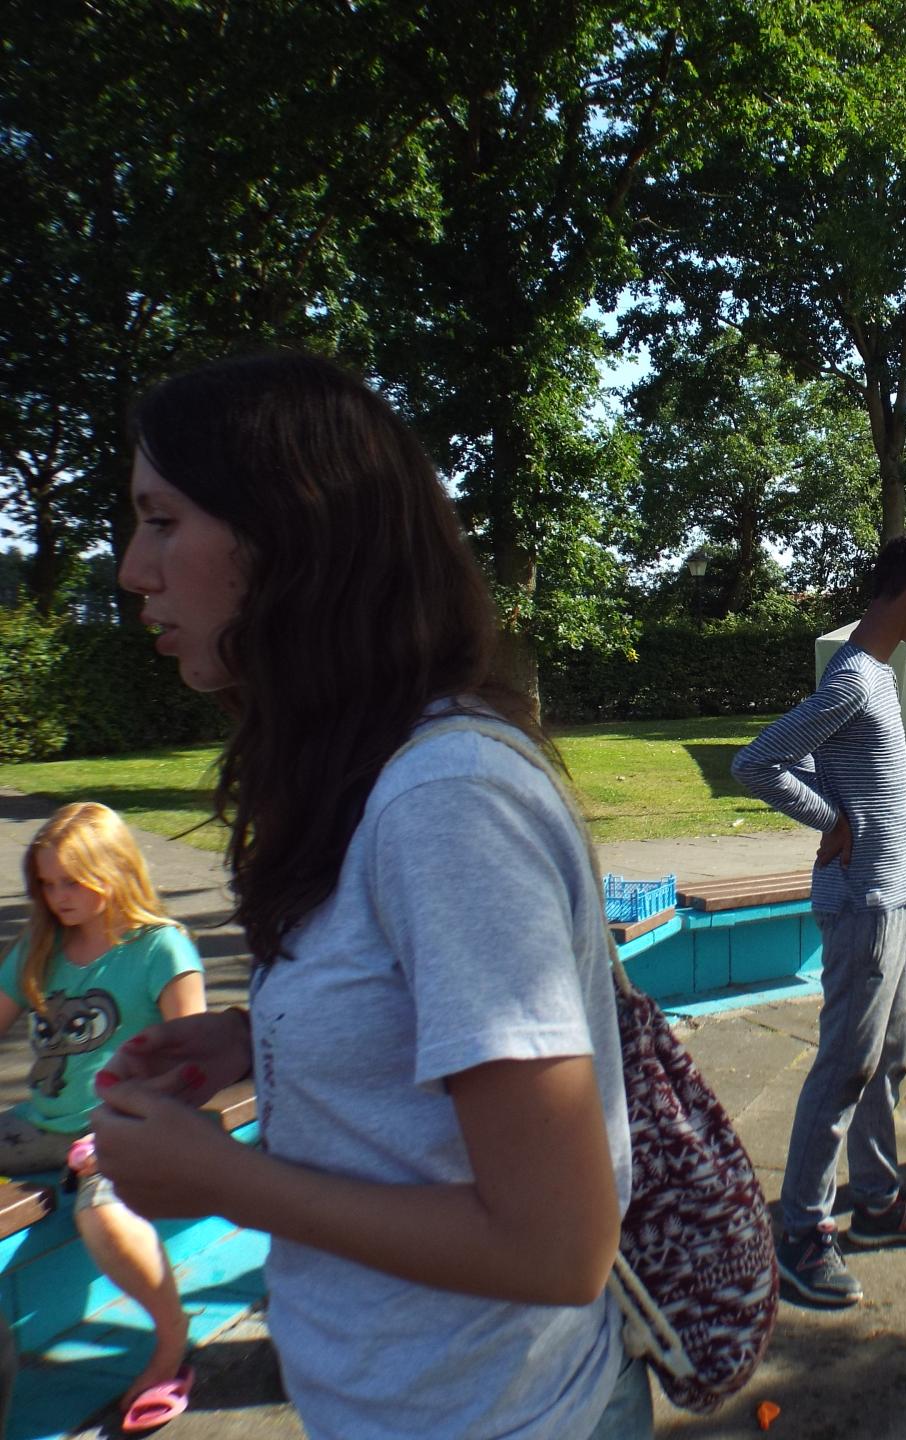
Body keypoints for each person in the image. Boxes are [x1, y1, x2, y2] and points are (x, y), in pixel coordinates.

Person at [92, 352, 648, 1440]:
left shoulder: (447, 803)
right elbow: (417, 1031)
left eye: (161, 521)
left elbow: (557, 1248)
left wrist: (221, 1180)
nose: (130, 570)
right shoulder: (359, 773)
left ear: (286, 534)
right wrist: (261, 1042)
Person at [730, 531, 906, 1308]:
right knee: (843, 1068)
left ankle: (877, 1201)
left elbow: (811, 761)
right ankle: (801, 1232)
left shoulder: (877, 677)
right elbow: (756, 762)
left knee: (887, 1058)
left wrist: (839, 806)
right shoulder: (856, 680)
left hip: (894, 897)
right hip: (863, 902)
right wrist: (830, 818)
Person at [1, 803, 206, 1430]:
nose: (58, 897)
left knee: (104, 1215)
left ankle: (171, 1340)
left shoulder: (160, 947)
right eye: (47, 883)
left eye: (72, 881)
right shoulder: (40, 947)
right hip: (41, 1124)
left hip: (129, 1129)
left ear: (113, 868)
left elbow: (196, 1059)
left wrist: (125, 1128)